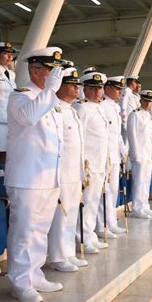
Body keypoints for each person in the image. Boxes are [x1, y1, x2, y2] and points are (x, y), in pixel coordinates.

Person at [5, 47, 65, 302]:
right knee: (24, 232)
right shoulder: (20, 96)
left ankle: (35, 274)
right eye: (51, 71)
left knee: (40, 230)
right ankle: (20, 282)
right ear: (35, 70)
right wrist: (50, 90)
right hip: (26, 178)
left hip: (48, 177)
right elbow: (29, 118)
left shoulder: (51, 102)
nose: (55, 77)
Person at [47, 67, 88, 273]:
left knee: (71, 214)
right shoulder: (55, 109)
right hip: (61, 173)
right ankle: (57, 256)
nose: (76, 88)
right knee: (60, 216)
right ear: (60, 86)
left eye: (76, 85)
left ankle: (69, 252)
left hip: (75, 171)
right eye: (71, 85)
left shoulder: (72, 110)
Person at [73, 72, 110, 254]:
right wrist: (82, 164)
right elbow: (78, 139)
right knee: (86, 203)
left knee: (94, 202)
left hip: (100, 162)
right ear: (85, 89)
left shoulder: (99, 108)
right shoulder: (82, 108)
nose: (97, 92)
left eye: (100, 88)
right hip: (89, 164)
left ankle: (91, 235)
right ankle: (82, 238)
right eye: (93, 88)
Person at [127, 90, 152, 219]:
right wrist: (135, 155)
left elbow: (149, 138)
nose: (149, 104)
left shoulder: (148, 117)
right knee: (139, 182)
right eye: (147, 101)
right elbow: (132, 137)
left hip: (148, 154)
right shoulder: (134, 115)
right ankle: (137, 208)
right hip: (140, 155)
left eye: (151, 102)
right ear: (141, 101)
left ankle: (144, 206)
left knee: (146, 181)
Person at [97, 76, 127, 237]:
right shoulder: (102, 105)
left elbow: (117, 134)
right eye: (117, 89)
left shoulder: (115, 107)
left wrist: (123, 150)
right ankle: (103, 225)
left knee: (113, 190)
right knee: (105, 191)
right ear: (107, 88)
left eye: (121, 89)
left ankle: (111, 222)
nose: (120, 92)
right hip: (105, 156)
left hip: (115, 155)